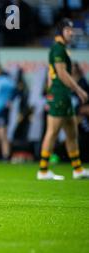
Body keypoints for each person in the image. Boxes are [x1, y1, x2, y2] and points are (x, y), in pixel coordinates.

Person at [37, 19, 89, 180]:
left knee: (72, 132)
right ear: (60, 31)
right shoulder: (58, 48)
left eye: (72, 30)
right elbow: (61, 73)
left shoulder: (62, 49)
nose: (71, 33)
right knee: (52, 132)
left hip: (63, 94)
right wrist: (78, 89)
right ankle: (43, 170)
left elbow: (50, 75)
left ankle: (78, 169)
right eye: (68, 30)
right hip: (59, 94)